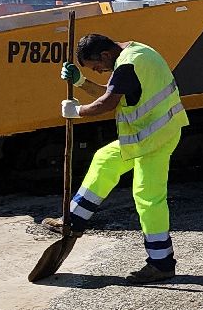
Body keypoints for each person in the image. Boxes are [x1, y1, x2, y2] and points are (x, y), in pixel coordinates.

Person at [58, 33, 189, 283]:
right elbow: (114, 94)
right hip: (149, 133)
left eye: (97, 66)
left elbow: (108, 103)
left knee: (148, 198)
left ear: (106, 54)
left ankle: (161, 263)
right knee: (104, 159)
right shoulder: (135, 53)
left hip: (155, 137)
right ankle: (73, 220)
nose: (99, 71)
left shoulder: (129, 64)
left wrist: (77, 112)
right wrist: (80, 81)